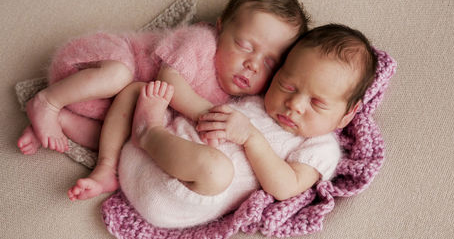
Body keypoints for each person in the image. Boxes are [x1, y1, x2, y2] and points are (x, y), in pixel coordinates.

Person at [15, 0, 309, 199]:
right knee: (120, 75)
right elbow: (171, 83)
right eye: (245, 46)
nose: (252, 65)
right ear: (221, 29)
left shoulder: (242, 98)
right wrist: (207, 114)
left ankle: (70, 135)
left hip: (107, 105)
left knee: (118, 137)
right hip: (96, 65)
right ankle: (47, 102)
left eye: (269, 62)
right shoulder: (202, 42)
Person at [119, 23, 378, 228]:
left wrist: (251, 138)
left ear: (347, 115)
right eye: (287, 86)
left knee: (216, 169)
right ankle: (108, 163)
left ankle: (146, 132)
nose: (295, 104)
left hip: (172, 197)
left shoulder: (321, 147)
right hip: (142, 160)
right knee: (140, 91)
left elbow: (285, 187)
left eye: (317, 103)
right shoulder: (259, 101)